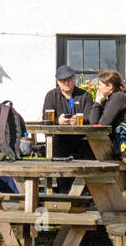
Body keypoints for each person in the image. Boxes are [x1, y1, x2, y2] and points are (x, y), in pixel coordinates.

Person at [41, 64, 96, 193]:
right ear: (57, 81)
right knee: (60, 157)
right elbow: (45, 118)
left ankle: (81, 194)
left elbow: (90, 117)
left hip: (81, 140)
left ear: (74, 79)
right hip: (59, 139)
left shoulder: (85, 96)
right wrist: (57, 121)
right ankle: (63, 193)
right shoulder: (51, 95)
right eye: (62, 80)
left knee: (86, 158)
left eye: (69, 79)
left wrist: (78, 121)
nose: (66, 83)